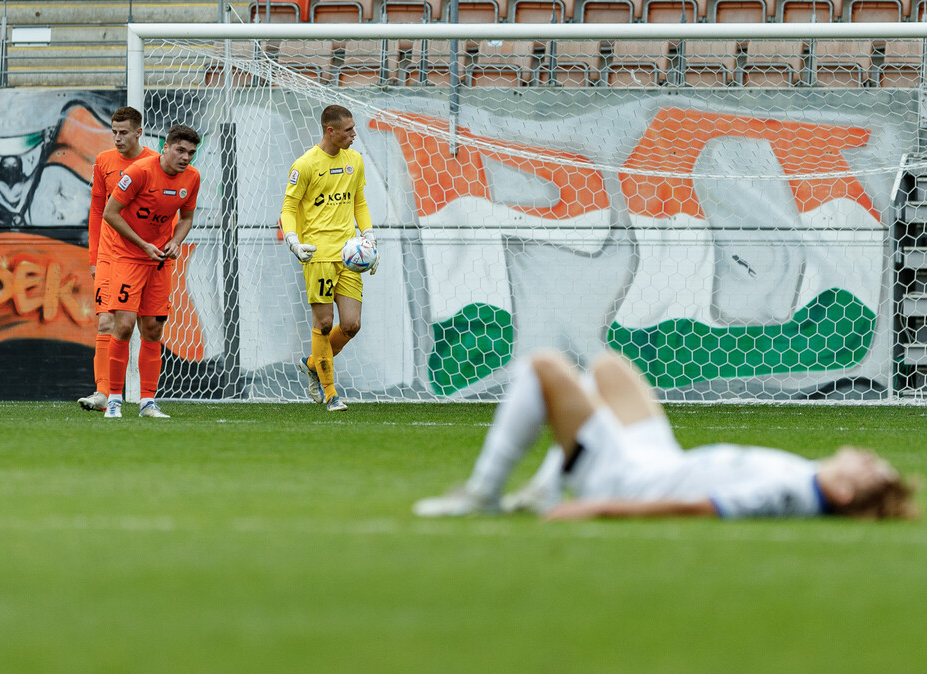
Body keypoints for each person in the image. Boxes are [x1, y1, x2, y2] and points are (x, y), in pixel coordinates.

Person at [413, 349, 918, 521]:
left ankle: (483, 492)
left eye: (872, 468)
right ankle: (547, 482)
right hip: (661, 460)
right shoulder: (806, 482)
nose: (869, 454)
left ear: (847, 491)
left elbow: (696, 508)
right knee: (609, 369)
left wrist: (597, 507)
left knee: (544, 366)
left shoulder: (787, 494)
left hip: (629, 479)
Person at [280, 104, 377, 412]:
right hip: (318, 253)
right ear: (330, 131)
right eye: (348, 130)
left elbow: (358, 201)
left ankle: (313, 363)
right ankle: (330, 393)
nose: (354, 134)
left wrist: (370, 236)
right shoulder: (305, 164)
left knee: (351, 325)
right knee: (323, 324)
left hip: (349, 253)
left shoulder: (355, 160)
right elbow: (289, 208)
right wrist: (293, 240)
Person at [101, 123, 201, 419]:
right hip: (129, 257)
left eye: (191, 153)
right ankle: (115, 400)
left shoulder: (192, 177)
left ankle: (147, 402)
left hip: (159, 261)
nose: (185, 157)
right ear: (165, 147)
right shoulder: (139, 172)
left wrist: (175, 241)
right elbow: (110, 213)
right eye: (180, 150)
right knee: (124, 325)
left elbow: (187, 217)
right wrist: (143, 244)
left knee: (154, 330)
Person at [76, 107, 159, 413]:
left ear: (139, 132)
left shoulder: (154, 163)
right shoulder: (104, 161)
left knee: (145, 325)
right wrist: (95, 256)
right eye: (114, 131)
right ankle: (103, 394)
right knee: (106, 321)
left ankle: (146, 397)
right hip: (110, 255)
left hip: (142, 257)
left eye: (123, 132)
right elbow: (98, 209)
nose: (117, 137)